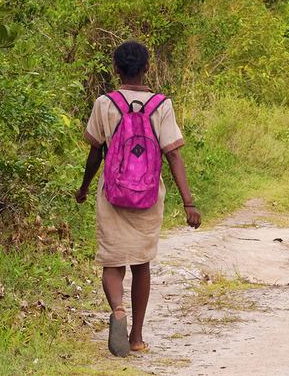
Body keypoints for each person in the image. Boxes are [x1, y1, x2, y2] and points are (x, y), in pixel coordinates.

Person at [76, 41, 201, 358]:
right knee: (141, 264)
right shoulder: (162, 105)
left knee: (112, 260)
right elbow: (173, 155)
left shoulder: (105, 103)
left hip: (112, 193)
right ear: (147, 68)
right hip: (147, 195)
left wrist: (84, 187)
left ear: (116, 69)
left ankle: (118, 309)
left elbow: (95, 154)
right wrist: (189, 203)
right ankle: (136, 337)